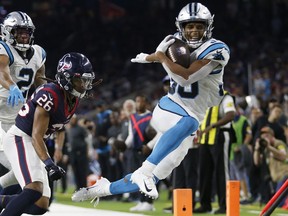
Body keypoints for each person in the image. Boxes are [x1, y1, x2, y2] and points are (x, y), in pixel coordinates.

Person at [72, 2, 230, 205]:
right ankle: (144, 171)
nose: (194, 30)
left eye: (199, 25)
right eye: (189, 26)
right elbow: (176, 71)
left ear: (208, 26)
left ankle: (103, 189)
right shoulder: (172, 43)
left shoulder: (217, 49)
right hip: (170, 107)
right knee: (185, 127)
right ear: (181, 27)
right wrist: (154, 57)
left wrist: (156, 57)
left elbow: (187, 76)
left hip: (192, 117)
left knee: (158, 173)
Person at [0, 52, 98, 215]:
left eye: (86, 80)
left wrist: (57, 150)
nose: (83, 85)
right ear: (66, 78)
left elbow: (56, 129)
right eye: (79, 79)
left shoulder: (72, 98)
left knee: (41, 205)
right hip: (21, 139)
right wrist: (50, 164)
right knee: (33, 189)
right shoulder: (50, 94)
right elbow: (36, 136)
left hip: (33, 142)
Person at [0, 11, 47, 193]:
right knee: (13, 161)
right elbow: (2, 72)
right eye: (19, 32)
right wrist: (12, 86)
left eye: (27, 32)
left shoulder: (38, 52)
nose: (24, 36)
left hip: (17, 117)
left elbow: (40, 80)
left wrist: (46, 96)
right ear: (7, 32)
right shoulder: (4, 48)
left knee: (25, 163)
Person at [194, 91, 236, 214]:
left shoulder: (225, 97)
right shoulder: (205, 97)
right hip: (205, 138)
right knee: (204, 171)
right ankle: (205, 204)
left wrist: (212, 126)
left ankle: (225, 205)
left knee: (222, 171)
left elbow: (230, 115)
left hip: (220, 135)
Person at [253, 126, 288, 208]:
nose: (264, 137)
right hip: (276, 180)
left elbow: (283, 156)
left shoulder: (278, 144)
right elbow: (257, 162)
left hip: (284, 177)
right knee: (276, 203)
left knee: (279, 204)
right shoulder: (266, 149)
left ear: (272, 135)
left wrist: (269, 147)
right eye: (263, 136)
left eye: (266, 135)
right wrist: (257, 149)